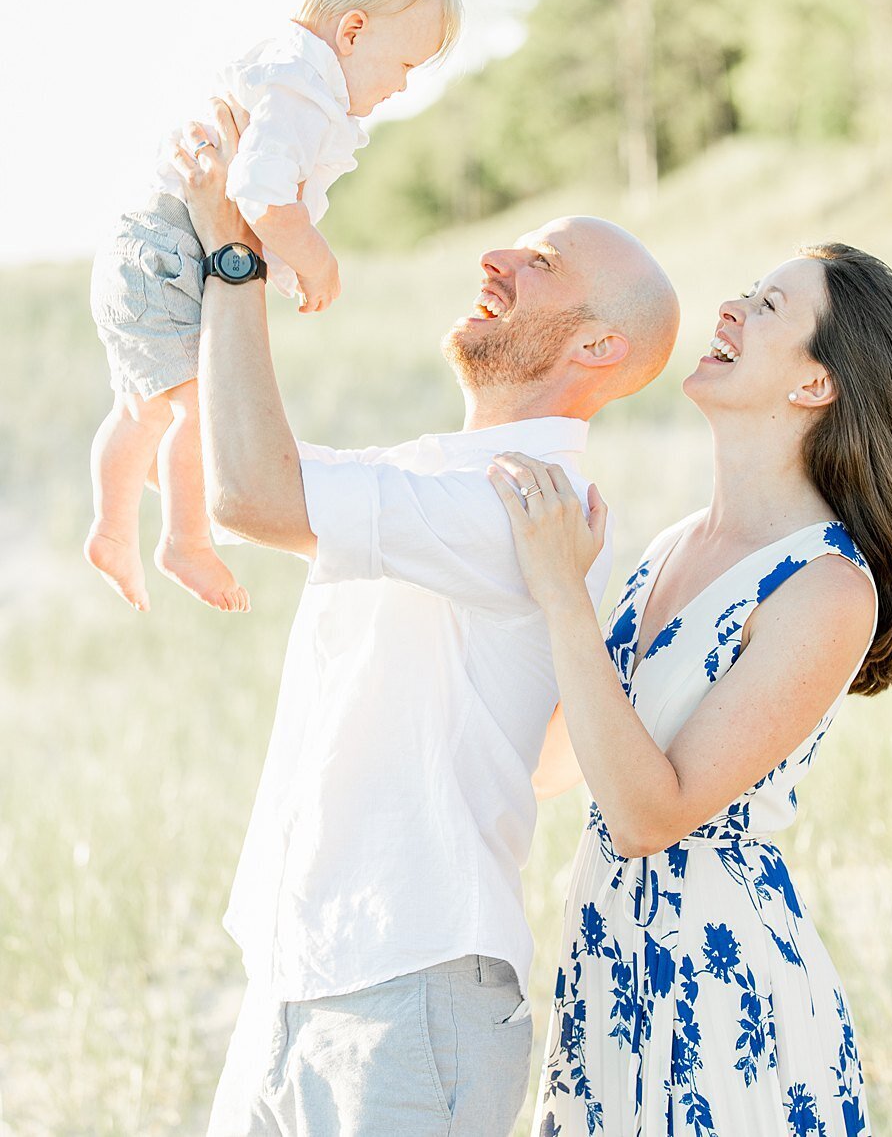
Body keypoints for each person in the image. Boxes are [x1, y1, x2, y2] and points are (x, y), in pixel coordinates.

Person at [169, 99, 680, 1137]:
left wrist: (237, 256)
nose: (496, 256)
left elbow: (252, 497)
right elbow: (231, 462)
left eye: (540, 262)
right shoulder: (446, 479)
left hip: (407, 999)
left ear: (596, 343)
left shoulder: (515, 502)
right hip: (305, 976)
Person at [489, 245, 892, 1136]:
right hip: (607, 962)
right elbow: (563, 764)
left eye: (768, 306)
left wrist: (562, 591)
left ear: (816, 385)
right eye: (746, 292)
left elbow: (648, 815)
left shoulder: (828, 587)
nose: (732, 308)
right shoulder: (669, 546)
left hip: (716, 989)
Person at [86, 0, 460, 614]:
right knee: (200, 412)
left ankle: (110, 528)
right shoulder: (302, 88)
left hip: (142, 249)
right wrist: (316, 263)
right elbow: (258, 194)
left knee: (139, 409)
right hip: (170, 254)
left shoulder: (286, 70)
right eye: (405, 65)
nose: (404, 87)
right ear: (352, 33)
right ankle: (186, 540)